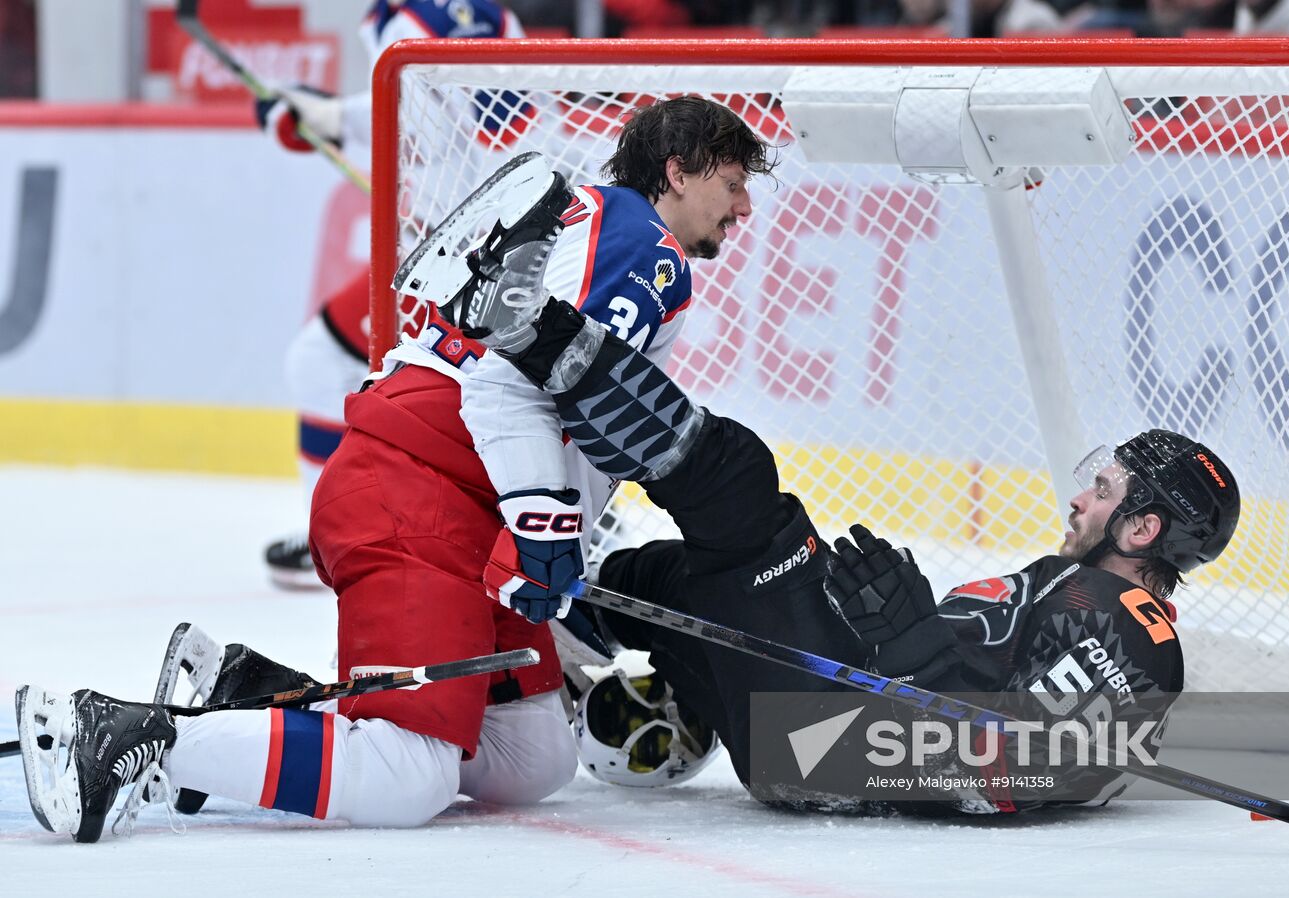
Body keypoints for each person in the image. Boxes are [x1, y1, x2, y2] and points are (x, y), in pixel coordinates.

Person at [12, 102, 775, 842]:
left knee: (530, 760)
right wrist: (544, 523)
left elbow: (571, 408)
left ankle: (248, 699)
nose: (741, 207)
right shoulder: (645, 249)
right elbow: (507, 380)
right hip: (419, 493)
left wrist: (558, 533)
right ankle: (123, 739)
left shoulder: (601, 225)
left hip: (465, 498)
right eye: (733, 183)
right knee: (409, 778)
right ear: (678, 171)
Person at [444, 249, 1241, 811]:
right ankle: (490, 646)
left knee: (743, 498)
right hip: (823, 714)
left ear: (1141, 528)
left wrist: (916, 646)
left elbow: (1002, 771)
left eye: (1103, 491)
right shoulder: (1081, 588)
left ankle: (527, 326)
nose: (1080, 500)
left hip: (830, 747)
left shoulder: (1130, 636)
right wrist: (903, 639)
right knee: (675, 575)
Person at [257, 0, 528, 589]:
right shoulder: (487, 14)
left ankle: (334, 540)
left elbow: (427, 125)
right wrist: (327, 115)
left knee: (322, 362)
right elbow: (444, 113)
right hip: (498, 239)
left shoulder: (408, 20)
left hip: (456, 254)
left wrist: (326, 117)